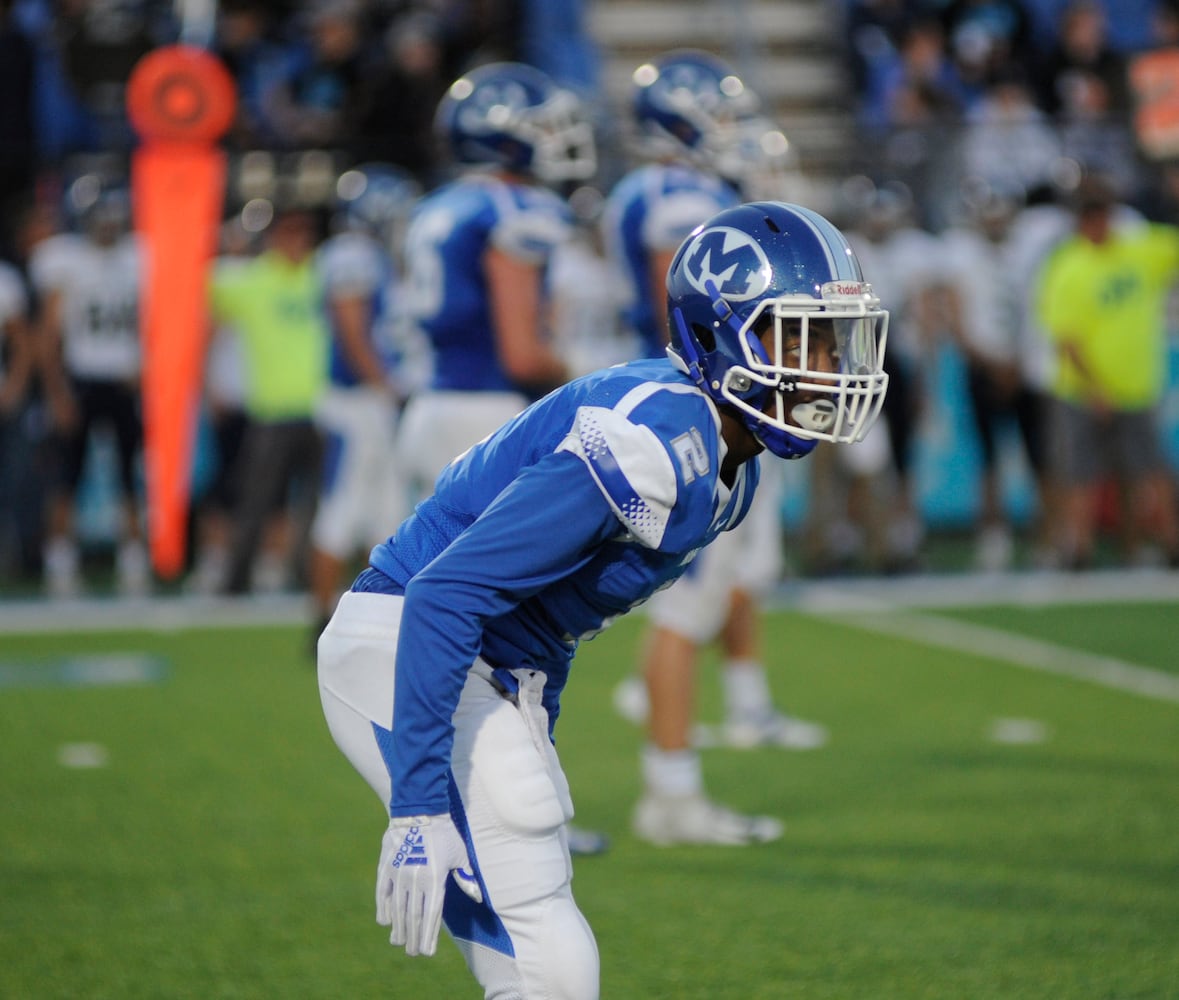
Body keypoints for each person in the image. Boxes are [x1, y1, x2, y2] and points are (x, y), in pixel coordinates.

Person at [317, 200, 890, 997]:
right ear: (721, 334)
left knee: (533, 943)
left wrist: (531, 717)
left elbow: (550, 627)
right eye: (802, 339)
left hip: (478, 661)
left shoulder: (729, 469)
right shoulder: (652, 441)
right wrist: (416, 809)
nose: (829, 368)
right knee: (543, 943)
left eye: (833, 343)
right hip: (407, 644)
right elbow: (444, 592)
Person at [601, 51, 828, 847]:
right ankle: (668, 794)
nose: (730, 132)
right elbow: (701, 312)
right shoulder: (681, 197)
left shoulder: (642, 190)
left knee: (700, 594)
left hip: (677, 402)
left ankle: (679, 754)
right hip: (698, 407)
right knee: (686, 604)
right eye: (718, 114)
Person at [395, 60, 596, 505]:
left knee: (430, 567)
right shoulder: (514, 209)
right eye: (542, 126)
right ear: (503, 137)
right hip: (486, 414)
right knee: (516, 569)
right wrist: (579, 371)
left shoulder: (436, 207)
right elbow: (522, 356)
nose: (555, 138)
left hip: (427, 407)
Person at [1035, 173, 1179, 568]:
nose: (1098, 223)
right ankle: (1077, 549)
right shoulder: (1068, 266)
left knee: (1150, 470)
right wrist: (1095, 387)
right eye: (1091, 216)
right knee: (1081, 474)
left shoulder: (1139, 251)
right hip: (1082, 391)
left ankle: (1169, 544)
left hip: (1136, 386)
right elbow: (1066, 338)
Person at [307, 163, 420, 644]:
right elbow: (351, 329)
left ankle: (372, 618)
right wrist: (384, 385)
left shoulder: (371, 256)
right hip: (357, 402)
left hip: (372, 401)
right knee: (341, 510)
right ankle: (319, 619)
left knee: (385, 513)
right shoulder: (351, 254)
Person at [33, 178, 149, 597]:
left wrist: (147, 367)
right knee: (68, 476)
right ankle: (60, 559)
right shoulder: (67, 261)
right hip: (82, 378)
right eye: (101, 217)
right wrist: (58, 392)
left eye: (114, 216)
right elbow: (49, 335)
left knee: (130, 476)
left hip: (125, 379)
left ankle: (134, 557)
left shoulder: (139, 257)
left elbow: (157, 321)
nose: (108, 225)